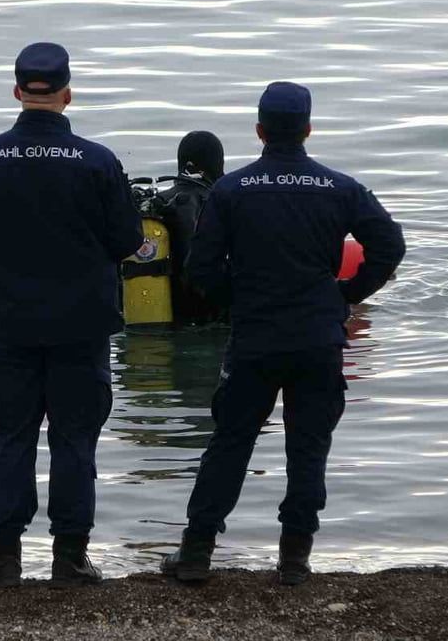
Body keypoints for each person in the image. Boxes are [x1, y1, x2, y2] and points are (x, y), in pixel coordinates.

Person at [161, 81, 406, 585]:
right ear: (308, 129)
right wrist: (347, 292)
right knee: (308, 448)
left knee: (230, 444)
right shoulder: (340, 188)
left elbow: (199, 268)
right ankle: (294, 559)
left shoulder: (231, 190)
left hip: (255, 339)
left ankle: (196, 554)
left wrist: (237, 299)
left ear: (259, 131)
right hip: (317, 337)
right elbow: (389, 244)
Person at [0, 42, 144, 588]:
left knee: (11, 439)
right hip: (83, 326)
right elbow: (128, 239)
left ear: (17, 92)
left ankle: (5, 558)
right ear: (67, 94)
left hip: (12, 322)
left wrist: (4, 251)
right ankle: (69, 557)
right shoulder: (98, 161)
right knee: (75, 441)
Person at [154, 131, 227, 325]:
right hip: (207, 320)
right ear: (218, 164)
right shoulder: (219, 204)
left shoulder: (157, 204)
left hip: (154, 314)